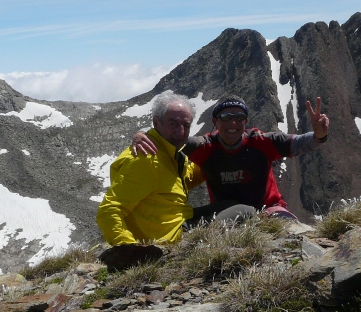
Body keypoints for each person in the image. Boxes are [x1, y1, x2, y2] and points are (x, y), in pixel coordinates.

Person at [132, 94, 329, 222]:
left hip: (269, 210)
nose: (232, 122)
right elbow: (169, 139)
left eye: (239, 117)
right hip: (225, 214)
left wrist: (319, 135)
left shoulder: (262, 141)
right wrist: (142, 135)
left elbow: (302, 143)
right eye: (226, 116)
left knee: (292, 235)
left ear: (246, 121)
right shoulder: (204, 146)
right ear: (215, 122)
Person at [96, 91, 204, 271]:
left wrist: (215, 160)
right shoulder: (146, 158)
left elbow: (184, 180)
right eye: (173, 124)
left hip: (173, 225)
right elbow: (108, 211)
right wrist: (131, 250)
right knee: (242, 212)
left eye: (186, 125)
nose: (180, 131)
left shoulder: (168, 152)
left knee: (233, 207)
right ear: (156, 123)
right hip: (165, 238)